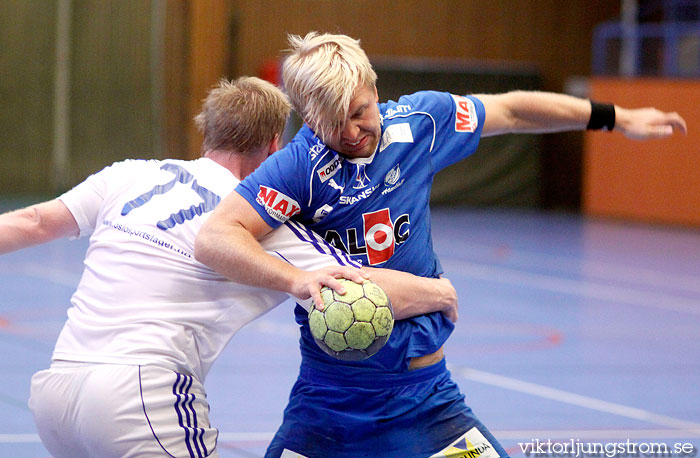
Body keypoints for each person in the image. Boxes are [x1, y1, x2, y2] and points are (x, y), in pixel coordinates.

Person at [194, 32, 688, 458]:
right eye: (331, 123)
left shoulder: (420, 124)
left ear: (374, 88)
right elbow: (217, 235)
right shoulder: (299, 166)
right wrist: (297, 279)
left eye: (360, 112)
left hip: (426, 399)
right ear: (307, 116)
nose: (351, 133)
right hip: (329, 401)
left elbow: (513, 111)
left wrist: (616, 117)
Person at [0, 76, 459, 458]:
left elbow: (33, 221)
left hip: (55, 394)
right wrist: (439, 293)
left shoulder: (128, 174)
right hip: (138, 395)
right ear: (275, 146)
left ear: (208, 132)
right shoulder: (257, 224)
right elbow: (355, 286)